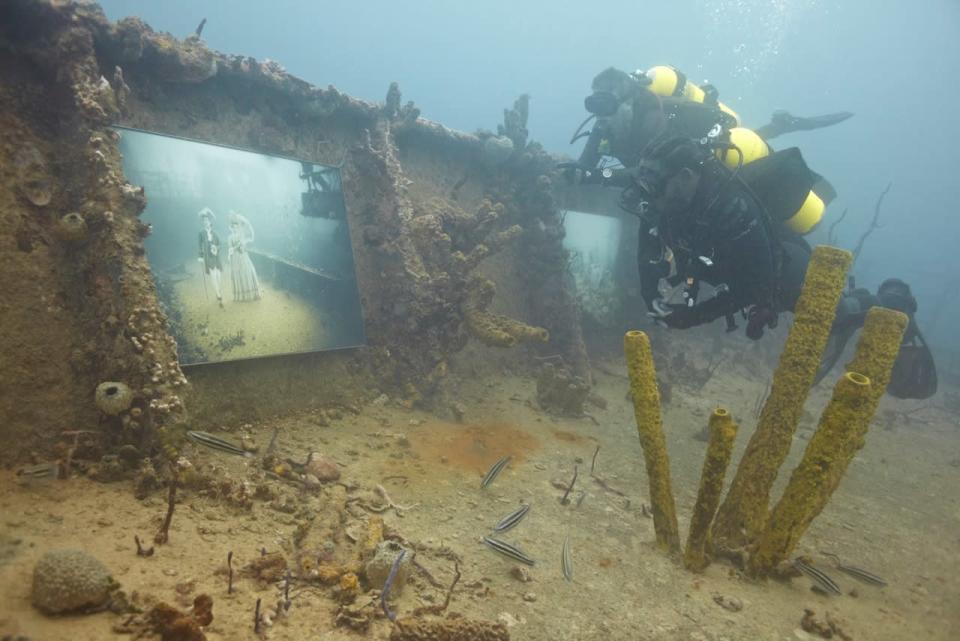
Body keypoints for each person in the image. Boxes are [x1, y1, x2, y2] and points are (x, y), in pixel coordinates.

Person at [619, 134, 937, 399]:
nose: (651, 192)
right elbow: (647, 234)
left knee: (836, 313)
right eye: (646, 182)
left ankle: (891, 302)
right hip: (740, 271)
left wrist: (690, 317)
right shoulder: (668, 200)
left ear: (686, 176)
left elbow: (753, 287)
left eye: (657, 183)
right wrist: (650, 293)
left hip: (785, 271)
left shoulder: (732, 208)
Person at [227, 211, 262, 302]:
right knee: (237, 274)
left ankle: (252, 293)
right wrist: (230, 252)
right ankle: (240, 296)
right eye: (233, 227)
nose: (235, 229)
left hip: (243, 256)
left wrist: (243, 243)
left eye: (236, 227)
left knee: (247, 271)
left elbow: (246, 241)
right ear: (231, 228)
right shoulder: (230, 237)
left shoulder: (242, 236)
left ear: (238, 227)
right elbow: (230, 248)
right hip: (235, 258)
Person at [197, 207, 224, 309]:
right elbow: (199, 245)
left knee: (218, 276)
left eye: (207, 220)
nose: (205, 222)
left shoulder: (215, 233)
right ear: (202, 222)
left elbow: (220, 244)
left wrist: (216, 248)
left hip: (216, 256)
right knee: (213, 276)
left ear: (210, 222)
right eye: (204, 221)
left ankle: (218, 290)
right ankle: (218, 295)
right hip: (208, 257)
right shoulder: (201, 233)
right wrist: (200, 256)